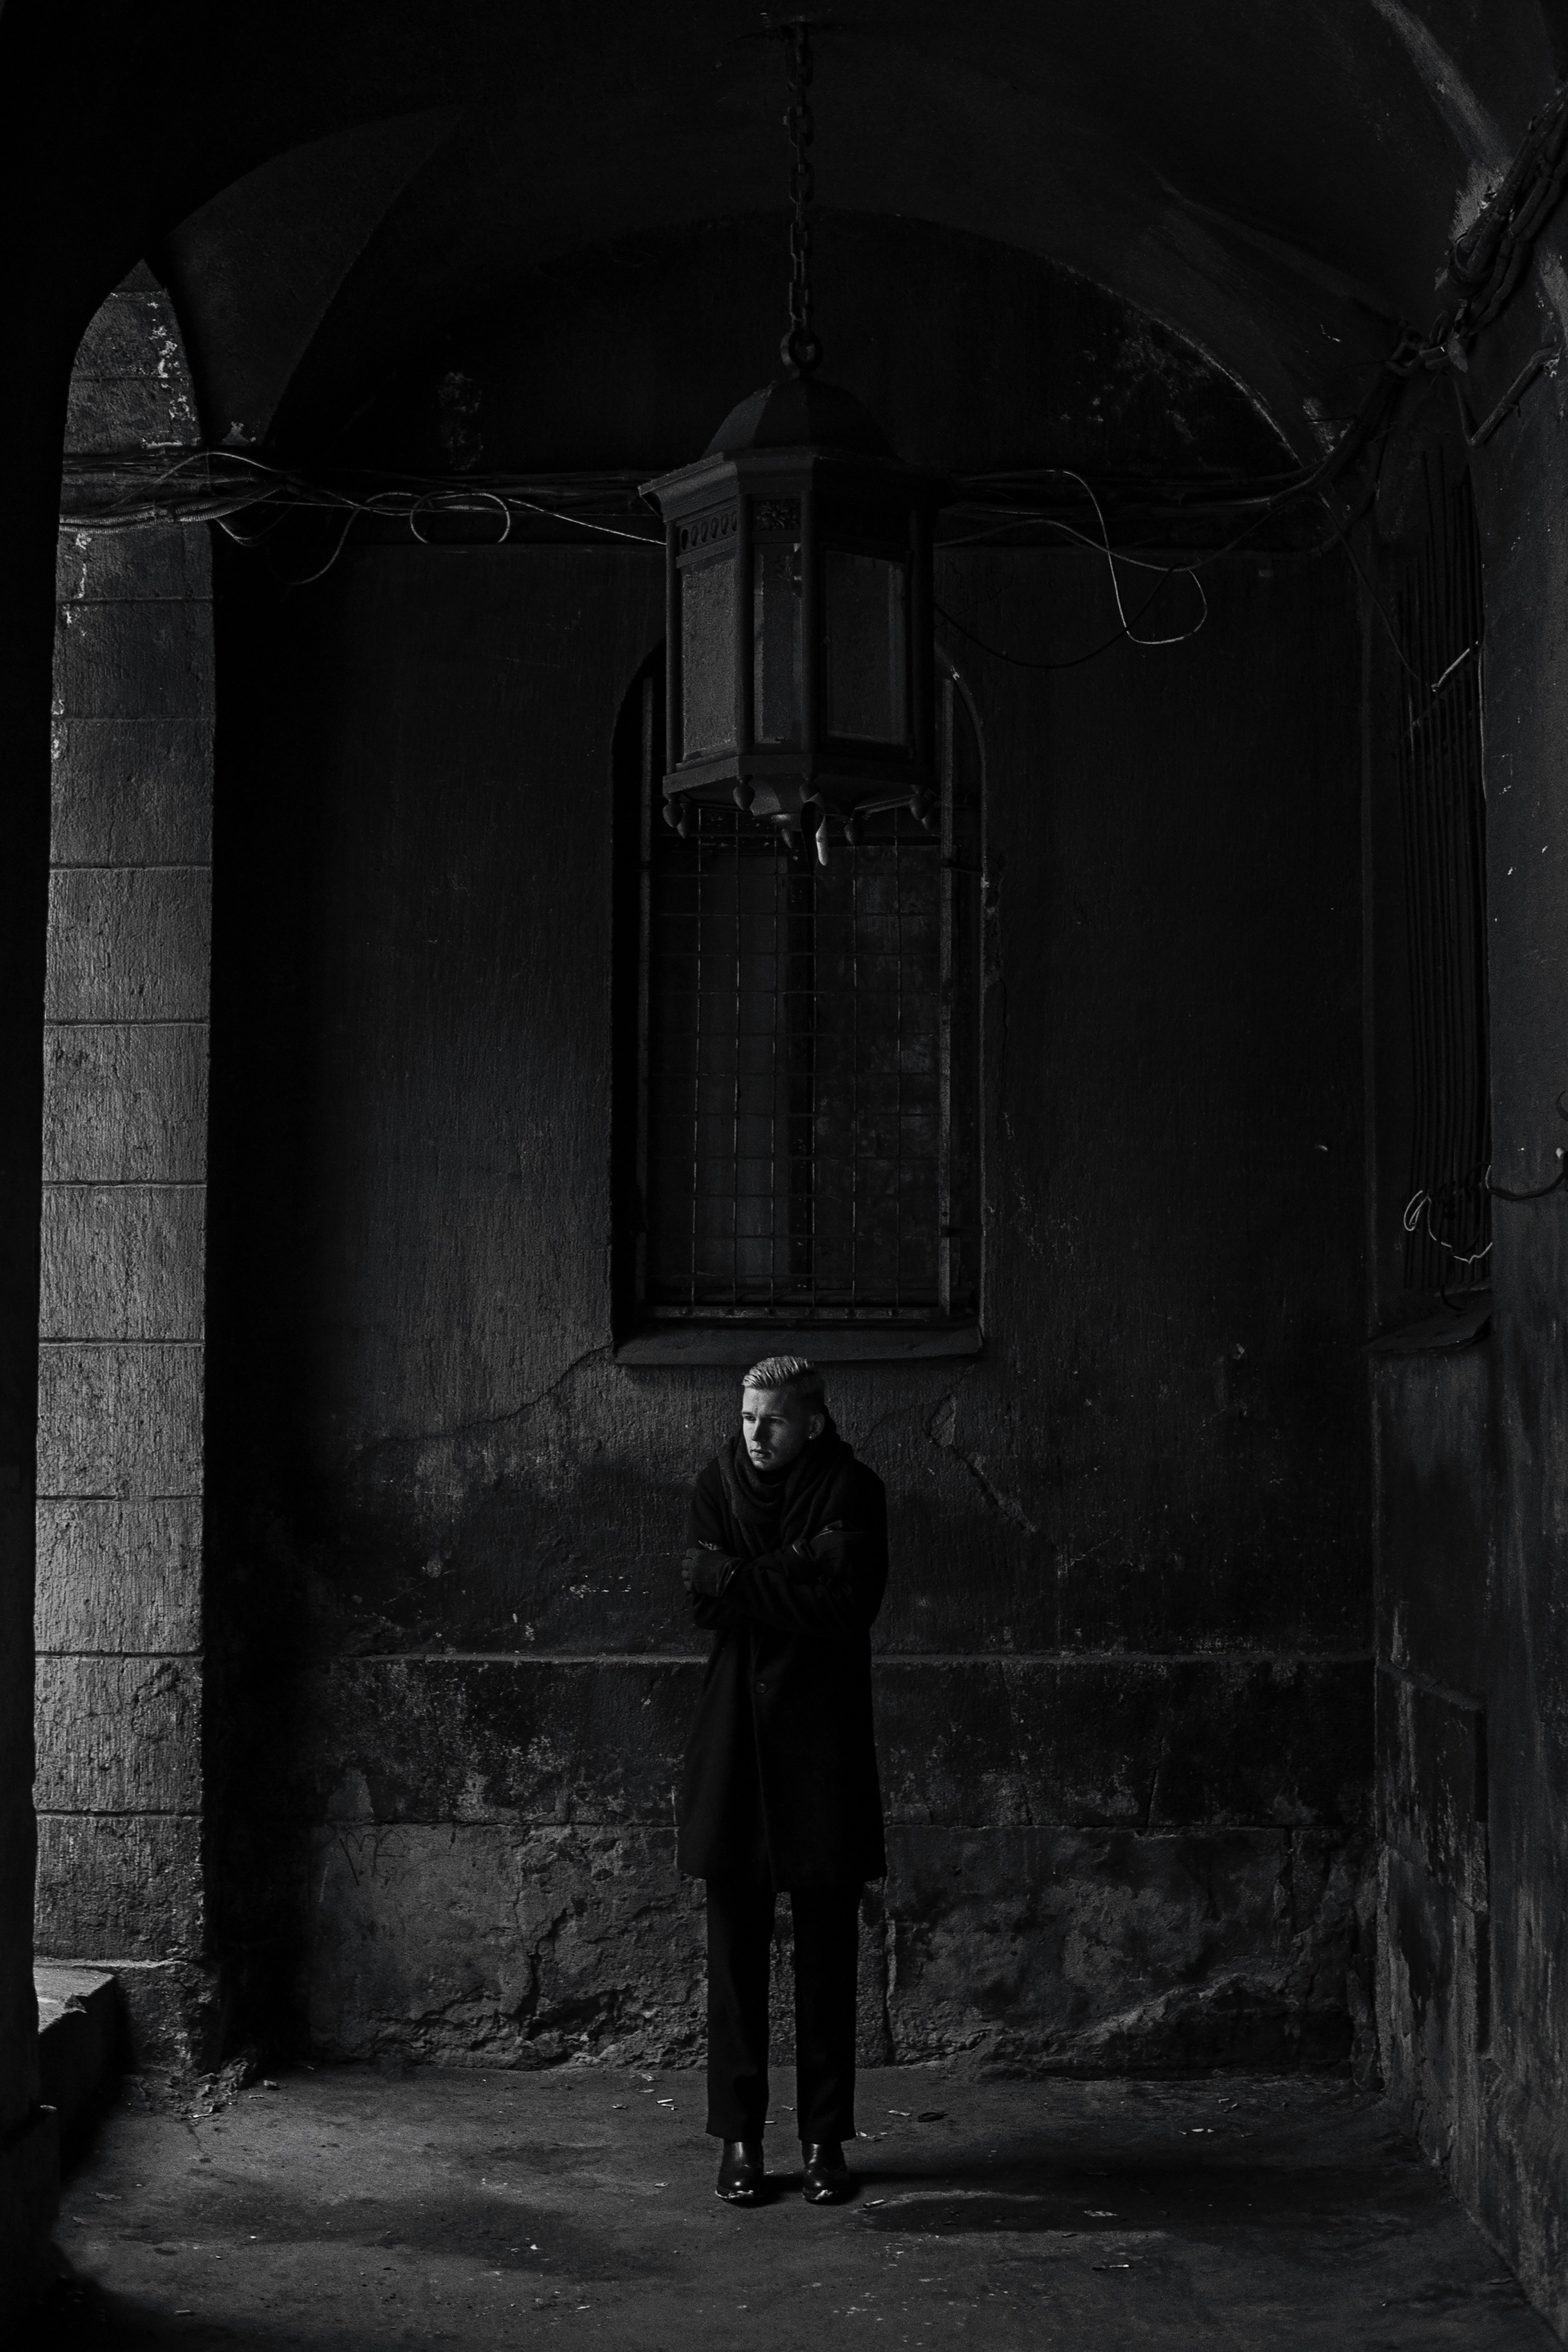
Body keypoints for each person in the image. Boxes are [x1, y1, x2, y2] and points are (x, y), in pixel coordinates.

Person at [677, 1355, 889, 2208]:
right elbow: (698, 1602)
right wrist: (799, 1564)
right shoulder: (716, 1483)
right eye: (747, 1416)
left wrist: (736, 1577)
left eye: (772, 1419)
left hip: (823, 1745)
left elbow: (849, 1610)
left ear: (814, 1420)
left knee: (829, 1954)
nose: (755, 1434)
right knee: (733, 1957)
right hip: (733, 1742)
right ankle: (738, 2140)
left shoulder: (855, 1489)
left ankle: (824, 2140)